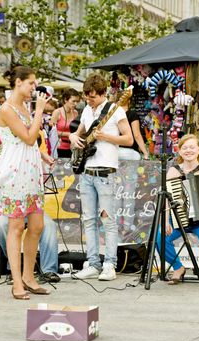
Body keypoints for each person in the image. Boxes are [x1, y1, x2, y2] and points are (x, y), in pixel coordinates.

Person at [0, 65, 49, 300]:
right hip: (15, 171)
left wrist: (43, 155)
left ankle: (29, 277)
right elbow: (29, 137)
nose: (34, 88)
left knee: (37, 225)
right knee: (16, 227)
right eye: (31, 83)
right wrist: (40, 111)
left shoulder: (24, 107)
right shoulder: (7, 108)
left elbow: (29, 140)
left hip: (30, 170)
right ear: (18, 82)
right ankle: (17, 282)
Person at [69, 74, 133, 281]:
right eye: (87, 97)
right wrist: (72, 137)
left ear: (104, 94)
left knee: (107, 220)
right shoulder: (87, 110)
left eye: (93, 97)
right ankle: (93, 262)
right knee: (88, 220)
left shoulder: (116, 111)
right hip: (86, 171)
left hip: (105, 172)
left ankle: (110, 264)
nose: (89, 100)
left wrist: (105, 137)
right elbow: (78, 133)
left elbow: (129, 139)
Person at [0, 157, 60, 283]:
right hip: (7, 208)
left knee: (49, 225)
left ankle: (49, 271)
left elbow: (38, 186)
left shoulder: (35, 161)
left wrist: (46, 169)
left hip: (29, 209)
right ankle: (14, 267)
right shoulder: (6, 156)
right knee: (1, 225)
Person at [156, 134, 199, 291]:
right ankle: (178, 268)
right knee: (160, 237)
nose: (188, 151)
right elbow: (167, 199)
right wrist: (166, 221)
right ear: (179, 151)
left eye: (192, 147)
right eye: (184, 148)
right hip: (180, 219)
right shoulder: (173, 171)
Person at [116, 91, 149, 161]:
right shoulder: (132, 114)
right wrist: (145, 153)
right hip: (129, 152)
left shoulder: (114, 114)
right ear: (129, 101)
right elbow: (137, 135)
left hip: (115, 151)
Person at [51, 88, 81, 158]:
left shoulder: (75, 113)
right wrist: (69, 134)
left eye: (77, 101)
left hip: (72, 148)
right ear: (65, 100)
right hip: (59, 148)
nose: (75, 104)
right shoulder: (57, 112)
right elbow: (52, 133)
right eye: (73, 101)